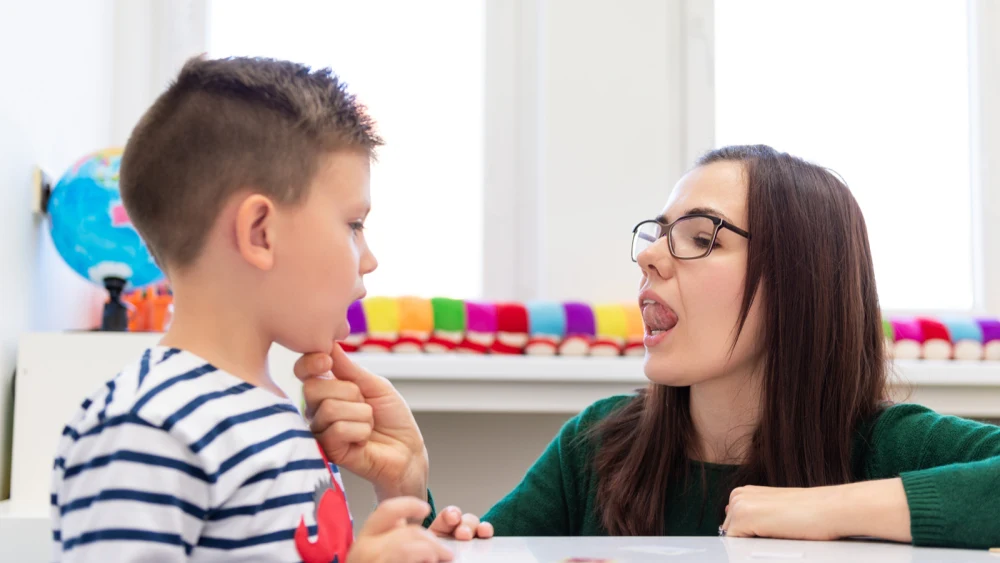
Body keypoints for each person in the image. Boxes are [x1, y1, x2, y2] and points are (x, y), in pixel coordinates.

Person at [296, 144, 1000, 549]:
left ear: (799, 283)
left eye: (700, 237)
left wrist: (819, 511)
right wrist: (406, 484)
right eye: (656, 234)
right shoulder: (597, 445)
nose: (651, 259)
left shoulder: (882, 446)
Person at [51, 56, 487, 563]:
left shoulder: (275, 417)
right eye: (353, 224)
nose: (369, 258)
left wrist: (404, 497)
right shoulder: (145, 430)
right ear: (260, 232)